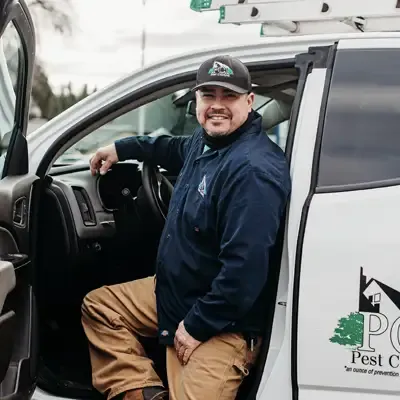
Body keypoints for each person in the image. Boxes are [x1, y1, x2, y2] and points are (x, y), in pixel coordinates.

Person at [82, 55, 291, 400]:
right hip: (178, 292)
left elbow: (245, 271)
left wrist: (196, 326)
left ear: (249, 102)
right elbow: (170, 147)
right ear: (196, 101)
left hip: (222, 322)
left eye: (229, 96)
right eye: (209, 96)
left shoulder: (252, 171)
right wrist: (122, 148)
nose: (217, 106)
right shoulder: (207, 141)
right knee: (101, 307)